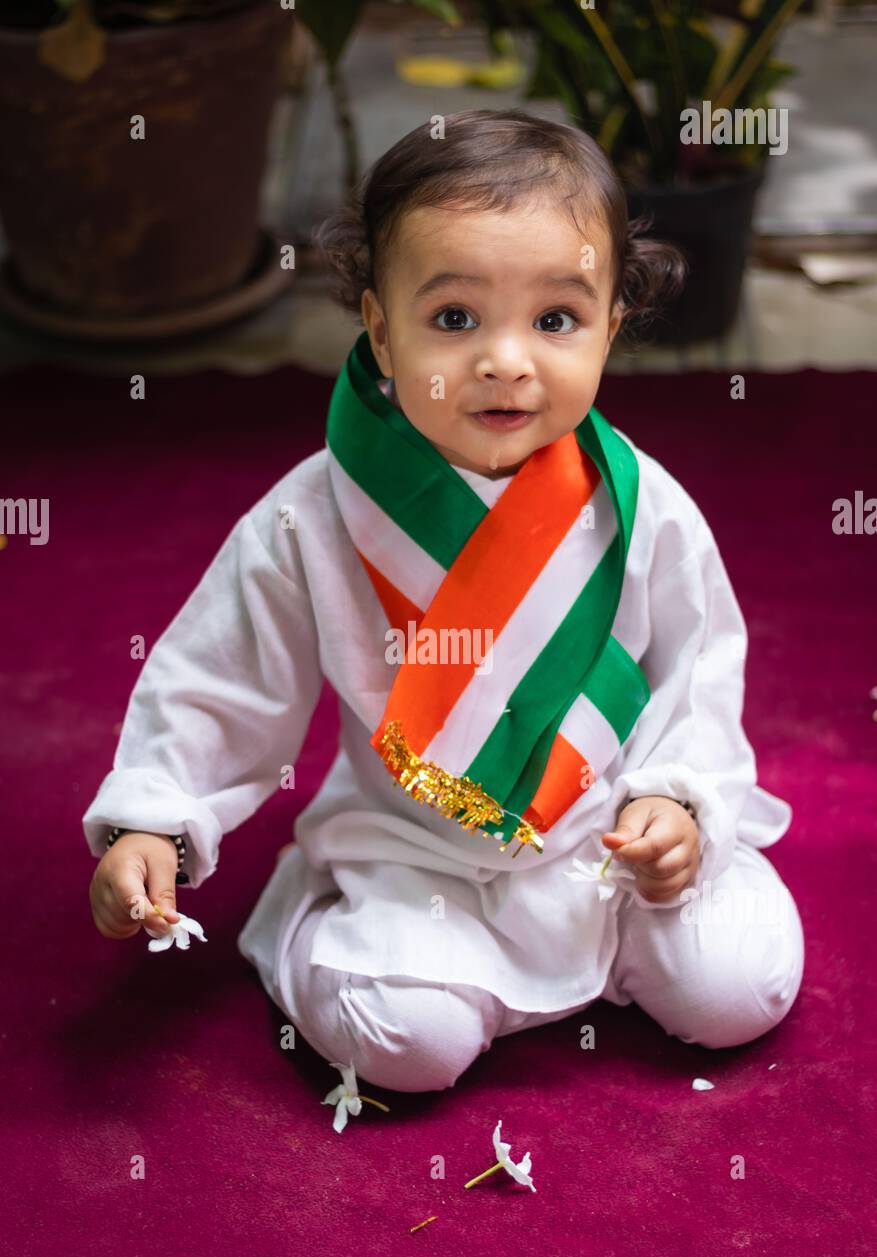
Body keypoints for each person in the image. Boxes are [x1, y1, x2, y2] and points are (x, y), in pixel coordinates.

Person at [84, 109, 804, 1095]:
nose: (505, 360)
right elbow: (223, 676)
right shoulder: (315, 514)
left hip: (602, 841)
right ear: (379, 327)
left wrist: (674, 800)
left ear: (610, 324)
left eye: (555, 319)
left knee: (741, 990)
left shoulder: (642, 505)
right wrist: (151, 821)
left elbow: (698, 666)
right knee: (405, 1046)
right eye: (455, 318)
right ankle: (318, 924)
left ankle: (628, 922)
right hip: (414, 852)